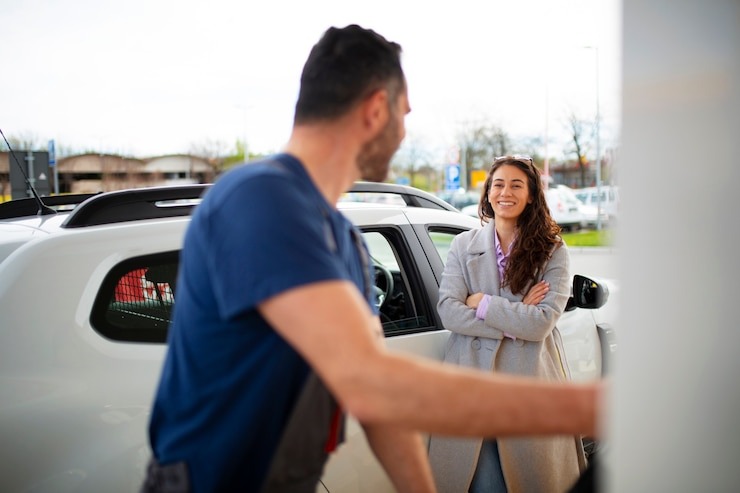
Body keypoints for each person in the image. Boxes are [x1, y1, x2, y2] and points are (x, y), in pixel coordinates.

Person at [141, 25, 601, 493]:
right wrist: (584, 408)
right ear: (377, 108)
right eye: (403, 114)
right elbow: (371, 377)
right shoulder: (264, 198)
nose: (404, 131)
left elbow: (378, 405)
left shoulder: (342, 238)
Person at [428, 155, 586, 492]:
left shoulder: (552, 251)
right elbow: (450, 312)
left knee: (533, 479)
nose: (505, 192)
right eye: (498, 184)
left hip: (529, 383)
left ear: (531, 195)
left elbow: (541, 324)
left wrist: (483, 302)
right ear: (487, 193)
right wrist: (517, 315)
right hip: (472, 380)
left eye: (517, 185)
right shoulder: (463, 245)